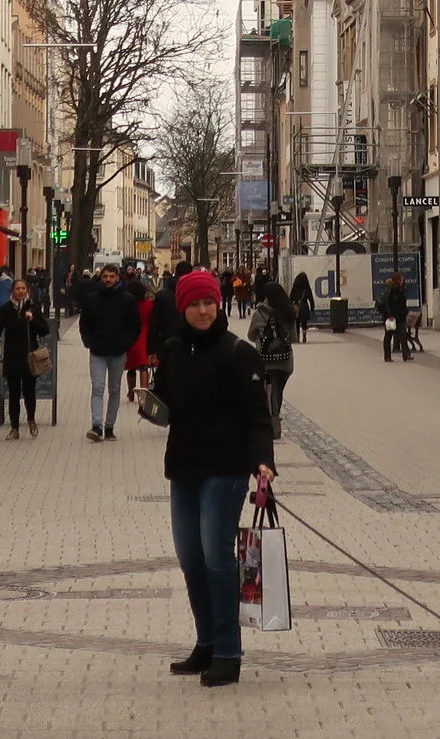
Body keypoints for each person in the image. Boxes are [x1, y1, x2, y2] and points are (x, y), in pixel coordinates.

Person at [149, 269, 274, 688]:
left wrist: (262, 461)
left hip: (225, 469)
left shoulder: (238, 353)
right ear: (182, 308)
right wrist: (149, 404)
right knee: (190, 558)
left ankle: (227, 651)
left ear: (218, 304)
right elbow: (164, 399)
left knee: (218, 559)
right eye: (194, 304)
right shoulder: (172, 350)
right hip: (183, 468)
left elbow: (259, 416)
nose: (202, 311)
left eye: (208, 303)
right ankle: (205, 642)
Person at [75, 262, 140, 442]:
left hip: (119, 352)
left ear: (117, 278)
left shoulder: (127, 300)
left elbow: (135, 326)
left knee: (115, 389)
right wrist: (88, 342)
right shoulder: (91, 300)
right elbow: (84, 324)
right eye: (105, 277)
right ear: (100, 278)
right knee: (97, 388)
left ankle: (110, 426)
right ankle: (96, 426)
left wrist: (126, 343)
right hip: (97, 351)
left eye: (112, 276)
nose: (108, 280)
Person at [0, 276, 46, 437]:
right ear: (12, 291)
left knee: (29, 392)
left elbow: (44, 330)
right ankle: (14, 428)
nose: (20, 291)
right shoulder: (6, 309)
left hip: (29, 357)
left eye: (23, 289)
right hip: (12, 356)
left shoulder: (33, 307)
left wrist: (32, 320)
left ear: (27, 291)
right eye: (17, 289)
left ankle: (31, 419)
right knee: (13, 393)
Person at [248, 271, 297, 438]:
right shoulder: (288, 312)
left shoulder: (260, 313)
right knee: (278, 392)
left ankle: (274, 426)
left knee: (270, 393)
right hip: (286, 361)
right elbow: (294, 338)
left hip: (265, 360)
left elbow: (251, 336)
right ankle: (275, 420)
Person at [378, 271, 413, 362]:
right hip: (391, 317)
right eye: (401, 279)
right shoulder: (389, 290)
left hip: (400, 317)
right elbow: (386, 304)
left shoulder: (400, 290)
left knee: (403, 335)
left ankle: (406, 355)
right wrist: (389, 315)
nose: (402, 280)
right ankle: (387, 356)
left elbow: (402, 303)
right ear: (396, 280)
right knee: (388, 336)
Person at [289, 270, 314, 342]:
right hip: (304, 306)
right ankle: (304, 333)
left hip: (296, 306)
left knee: (296, 323)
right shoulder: (307, 288)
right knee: (304, 323)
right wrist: (312, 307)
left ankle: (297, 337)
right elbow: (310, 298)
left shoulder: (295, 287)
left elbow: (291, 297)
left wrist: (290, 306)